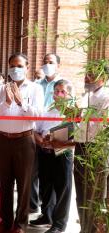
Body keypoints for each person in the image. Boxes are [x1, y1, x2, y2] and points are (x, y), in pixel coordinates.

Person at [0, 53, 44, 233]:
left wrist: (21, 103)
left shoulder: (35, 89)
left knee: (24, 182)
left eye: (20, 65)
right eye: (12, 65)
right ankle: (5, 219)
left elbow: (38, 115)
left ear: (27, 67)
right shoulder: (0, 88)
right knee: (5, 182)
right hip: (3, 139)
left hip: (24, 140)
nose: (16, 69)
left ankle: (20, 223)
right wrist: (6, 103)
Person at [31, 80, 74, 233]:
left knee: (63, 188)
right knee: (46, 185)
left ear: (69, 95)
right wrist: (40, 140)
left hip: (63, 154)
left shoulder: (73, 112)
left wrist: (54, 138)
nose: (58, 94)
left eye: (62, 91)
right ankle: (47, 216)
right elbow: (35, 129)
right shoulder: (47, 110)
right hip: (45, 152)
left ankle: (59, 224)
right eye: (56, 91)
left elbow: (75, 135)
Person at [73, 66, 109, 232]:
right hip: (81, 146)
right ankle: (84, 228)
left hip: (97, 149)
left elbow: (101, 126)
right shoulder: (86, 95)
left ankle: (92, 230)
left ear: (104, 76)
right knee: (81, 192)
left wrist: (81, 115)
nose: (87, 77)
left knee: (94, 195)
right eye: (86, 73)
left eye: (92, 74)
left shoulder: (107, 95)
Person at [30, 53, 62, 216]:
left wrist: (54, 136)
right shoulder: (36, 85)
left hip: (56, 136)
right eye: (45, 62)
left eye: (51, 62)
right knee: (35, 172)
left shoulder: (64, 85)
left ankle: (52, 214)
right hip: (37, 132)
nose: (47, 65)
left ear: (58, 65)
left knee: (54, 177)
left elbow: (69, 113)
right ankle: (34, 205)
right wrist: (37, 134)